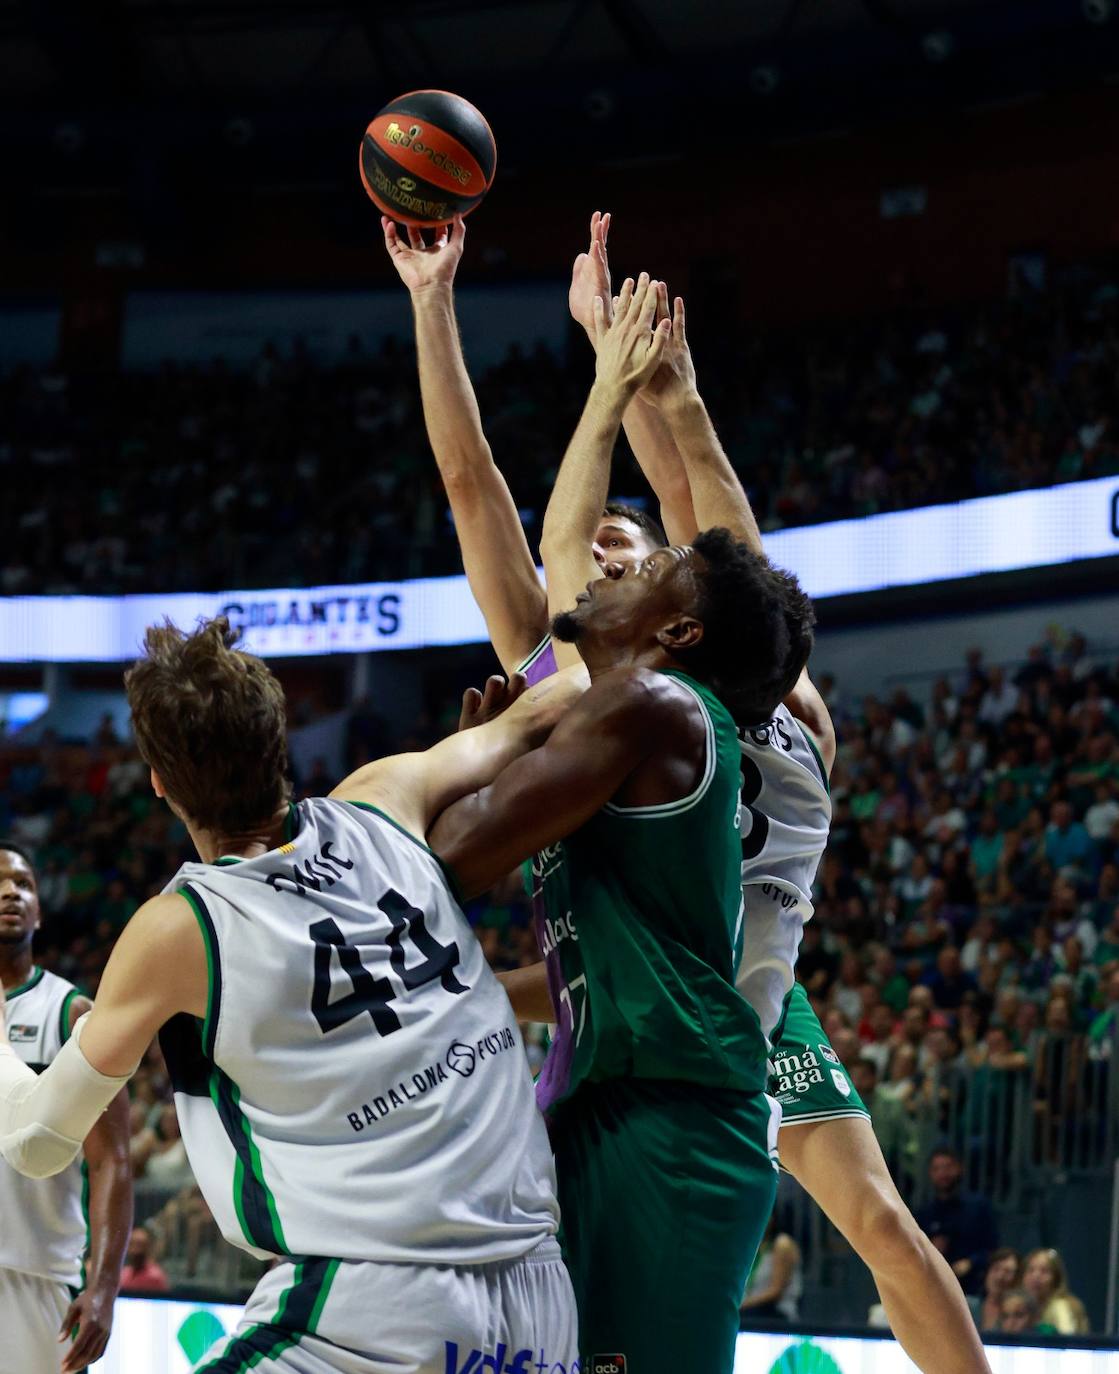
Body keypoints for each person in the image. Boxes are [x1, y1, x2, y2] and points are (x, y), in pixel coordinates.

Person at [384, 205, 991, 1374]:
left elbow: (707, 536)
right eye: (609, 548)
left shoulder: (674, 682)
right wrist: (633, 375)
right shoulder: (586, 665)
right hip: (664, 977)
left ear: (672, 611)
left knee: (876, 1229)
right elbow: (475, 488)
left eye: (636, 552)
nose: (612, 555)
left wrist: (646, 389)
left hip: (726, 993)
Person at [0, 619, 583, 1374]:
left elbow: (42, 1144)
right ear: (283, 741)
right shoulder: (384, 797)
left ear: (158, 781)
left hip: (371, 1309)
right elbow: (551, 702)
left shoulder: (179, 929)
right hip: (542, 1296)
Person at [428, 506, 805, 1371]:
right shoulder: (624, 718)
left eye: (640, 571)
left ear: (677, 627)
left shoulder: (652, 701)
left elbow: (452, 855)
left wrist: (478, 757)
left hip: (673, 1118)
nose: (605, 569)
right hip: (604, 1099)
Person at [0, 840, 132, 1374]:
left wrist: (103, 1286)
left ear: (39, 909)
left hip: (38, 1273)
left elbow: (112, 1160)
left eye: (24, 883)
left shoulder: (70, 1011)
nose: (11, 892)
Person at [914, 1148, 998, 1295]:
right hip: (933, 1289)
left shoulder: (978, 1207)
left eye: (947, 1167)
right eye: (936, 1169)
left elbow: (992, 1249)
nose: (942, 1174)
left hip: (972, 1288)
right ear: (930, 1173)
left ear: (959, 1168)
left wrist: (971, 1262)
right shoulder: (924, 1214)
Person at [740, 1214, 802, 1323]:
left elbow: (776, 1292)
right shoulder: (756, 1246)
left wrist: (742, 1305)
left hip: (778, 1312)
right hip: (754, 1310)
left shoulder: (782, 1243)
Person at [1021, 1247, 1090, 1334]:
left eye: (1044, 1271)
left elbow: (1066, 1343)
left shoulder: (1060, 1307)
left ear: (1056, 1279)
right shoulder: (1023, 1307)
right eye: (1030, 1270)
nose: (1036, 1277)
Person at [967, 1247, 1020, 1332]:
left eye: (1007, 1271)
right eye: (996, 1269)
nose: (1000, 1277)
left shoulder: (1019, 1315)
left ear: (1017, 1279)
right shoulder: (968, 1306)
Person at [119, 1225, 170, 1295]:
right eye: (132, 1244)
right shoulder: (123, 1274)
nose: (135, 1250)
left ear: (148, 1248)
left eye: (140, 1245)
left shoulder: (156, 1277)